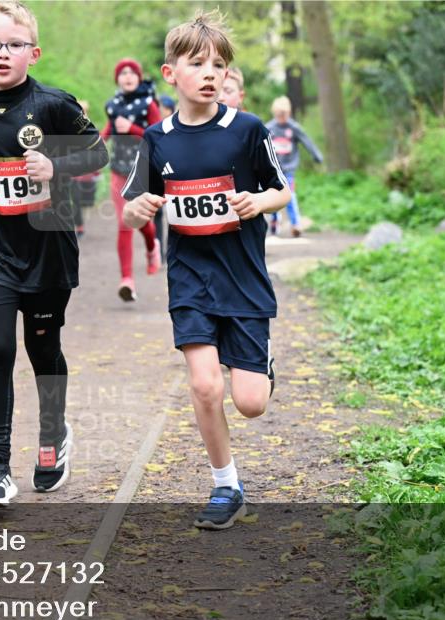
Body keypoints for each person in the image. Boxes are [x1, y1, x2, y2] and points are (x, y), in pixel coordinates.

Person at [122, 9, 290, 530]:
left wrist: (257, 202)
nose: (210, 73)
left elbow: (282, 191)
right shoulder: (157, 139)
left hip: (243, 279)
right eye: (197, 64)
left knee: (251, 403)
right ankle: (225, 485)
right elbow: (130, 208)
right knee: (204, 386)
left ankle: (259, 367)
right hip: (190, 279)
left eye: (219, 65)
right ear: (170, 74)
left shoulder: (247, 130)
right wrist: (138, 210)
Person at [0, 0, 108, 508]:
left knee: (42, 348)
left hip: (47, 247)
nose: (4, 53)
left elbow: (98, 152)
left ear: (33, 53)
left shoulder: (54, 104)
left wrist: (56, 165)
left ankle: (53, 432)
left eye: (15, 44)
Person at [101, 58, 162, 302]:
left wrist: (133, 129)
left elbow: (159, 135)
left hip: (143, 170)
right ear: (117, 79)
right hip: (118, 171)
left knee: (142, 220)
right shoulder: (113, 105)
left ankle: (152, 246)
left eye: (132, 73)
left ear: (139, 77)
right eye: (122, 73)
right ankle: (127, 280)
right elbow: (108, 131)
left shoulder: (148, 104)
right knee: (124, 223)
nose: (127, 76)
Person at [266, 95, 322, 237]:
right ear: (274, 113)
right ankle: (274, 220)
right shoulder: (269, 128)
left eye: (284, 115)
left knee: (290, 195)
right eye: (279, 115)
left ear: (289, 113)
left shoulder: (293, 128)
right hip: (273, 169)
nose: (281, 118)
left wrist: (317, 156)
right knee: (273, 195)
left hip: (289, 169)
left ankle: (296, 224)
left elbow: (306, 141)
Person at [68, 100, 101, 238]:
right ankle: (79, 227)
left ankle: (80, 223)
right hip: (73, 172)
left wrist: (96, 171)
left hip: (87, 172)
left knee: (84, 201)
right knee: (75, 199)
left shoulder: (90, 128)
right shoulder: (67, 126)